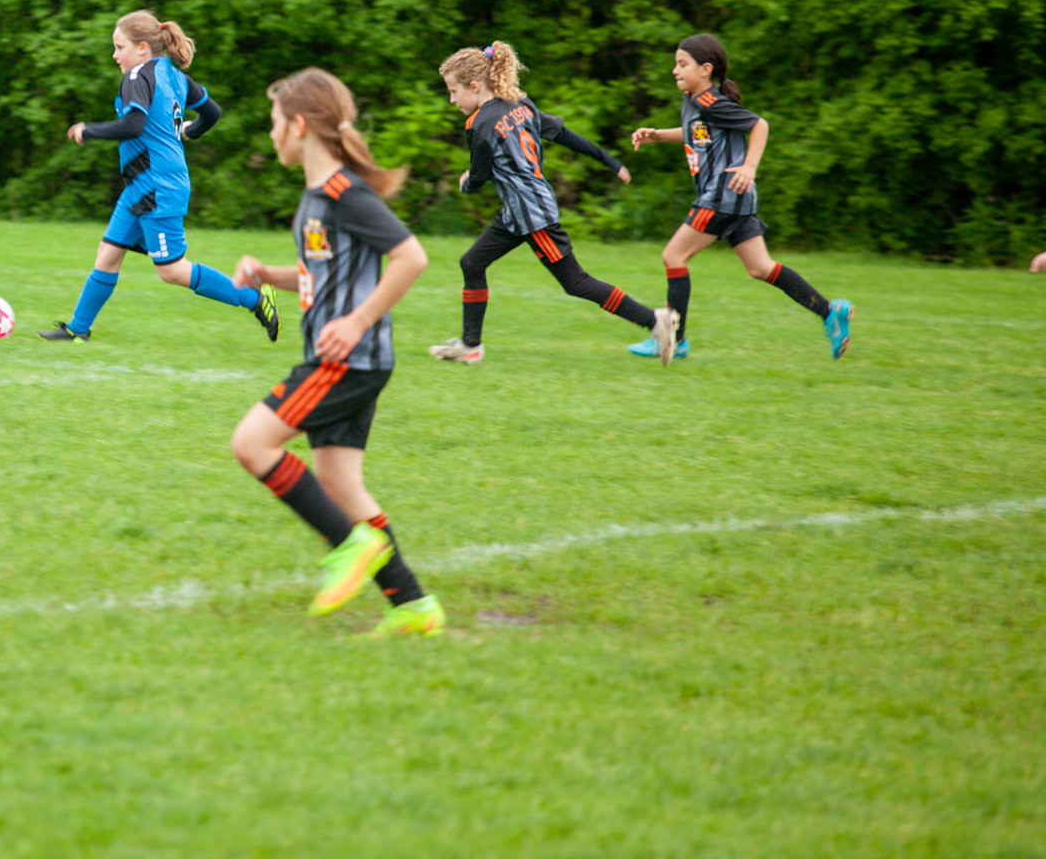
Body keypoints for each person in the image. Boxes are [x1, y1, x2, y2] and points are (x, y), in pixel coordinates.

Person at [229, 68, 444, 638]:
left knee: (252, 443)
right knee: (341, 485)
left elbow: (411, 258)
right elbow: (317, 275)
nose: (271, 134)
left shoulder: (345, 194)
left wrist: (357, 321)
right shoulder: (314, 199)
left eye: (275, 123)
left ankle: (351, 545)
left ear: (299, 125)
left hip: (346, 360)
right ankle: (413, 606)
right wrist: (267, 274)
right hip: (353, 361)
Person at [427, 42, 679, 366]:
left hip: (532, 217)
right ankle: (470, 345)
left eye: (453, 91)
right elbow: (564, 135)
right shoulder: (521, 104)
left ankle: (654, 319)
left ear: (475, 86)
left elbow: (478, 177)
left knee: (575, 282)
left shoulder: (479, 124)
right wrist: (610, 161)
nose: (452, 100)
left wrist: (465, 182)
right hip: (517, 213)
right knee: (472, 263)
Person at [39, 10, 278, 344]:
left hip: (158, 188)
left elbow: (133, 125)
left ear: (142, 48)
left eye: (119, 47)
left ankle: (255, 299)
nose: (115, 55)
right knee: (108, 254)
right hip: (141, 186)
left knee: (172, 271)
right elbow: (212, 112)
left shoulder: (137, 76)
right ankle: (78, 330)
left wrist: (87, 130)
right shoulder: (175, 76)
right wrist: (190, 131)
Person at [628, 33, 853, 360]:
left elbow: (759, 125)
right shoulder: (693, 100)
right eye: (675, 64)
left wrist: (749, 166)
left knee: (673, 256)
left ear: (705, 69)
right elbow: (697, 134)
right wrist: (658, 135)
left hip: (722, 195)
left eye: (682, 64)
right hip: (737, 198)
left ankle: (674, 339)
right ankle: (830, 312)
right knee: (761, 268)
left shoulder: (711, 101)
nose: (675, 70)